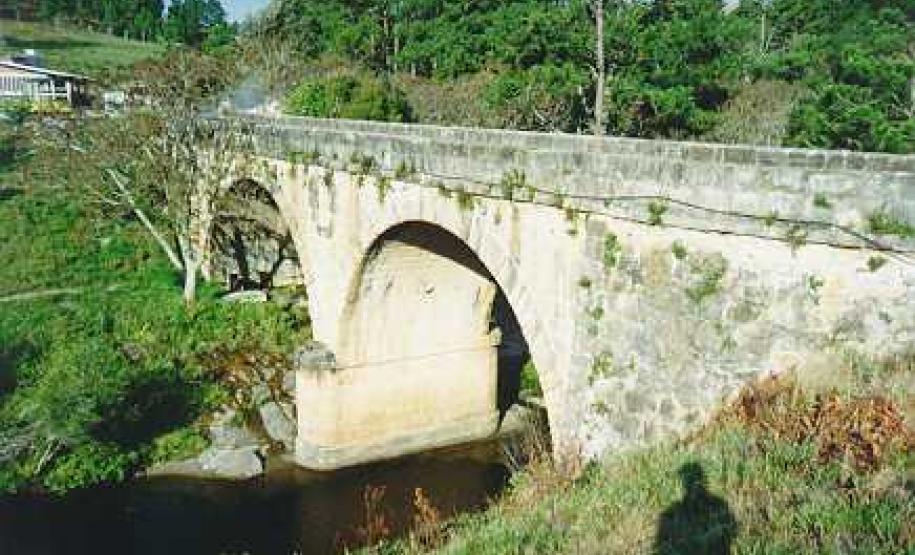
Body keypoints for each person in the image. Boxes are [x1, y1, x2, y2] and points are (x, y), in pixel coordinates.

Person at [655, 462, 737, 554]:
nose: (695, 486)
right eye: (690, 481)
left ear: (704, 481)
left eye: (697, 481)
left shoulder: (718, 505)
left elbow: (732, 531)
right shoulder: (672, 513)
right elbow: (662, 546)